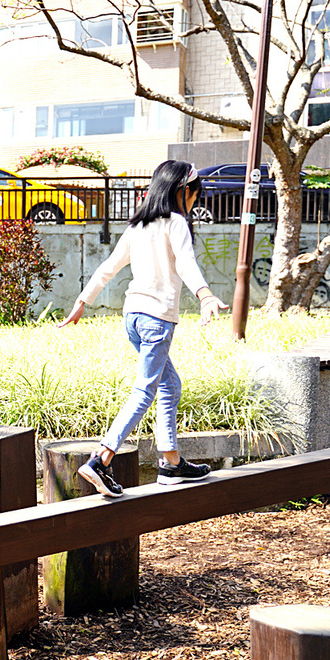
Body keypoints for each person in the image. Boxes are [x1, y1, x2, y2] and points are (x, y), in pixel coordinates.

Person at [58, 160, 229, 498]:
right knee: (144, 391)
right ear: (184, 192)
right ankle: (101, 459)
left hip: (132, 317)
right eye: (195, 196)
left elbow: (108, 267)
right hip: (156, 320)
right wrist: (205, 294)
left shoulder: (137, 226)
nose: (194, 202)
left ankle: (170, 463)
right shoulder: (176, 223)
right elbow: (185, 262)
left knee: (170, 383)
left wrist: (82, 301)